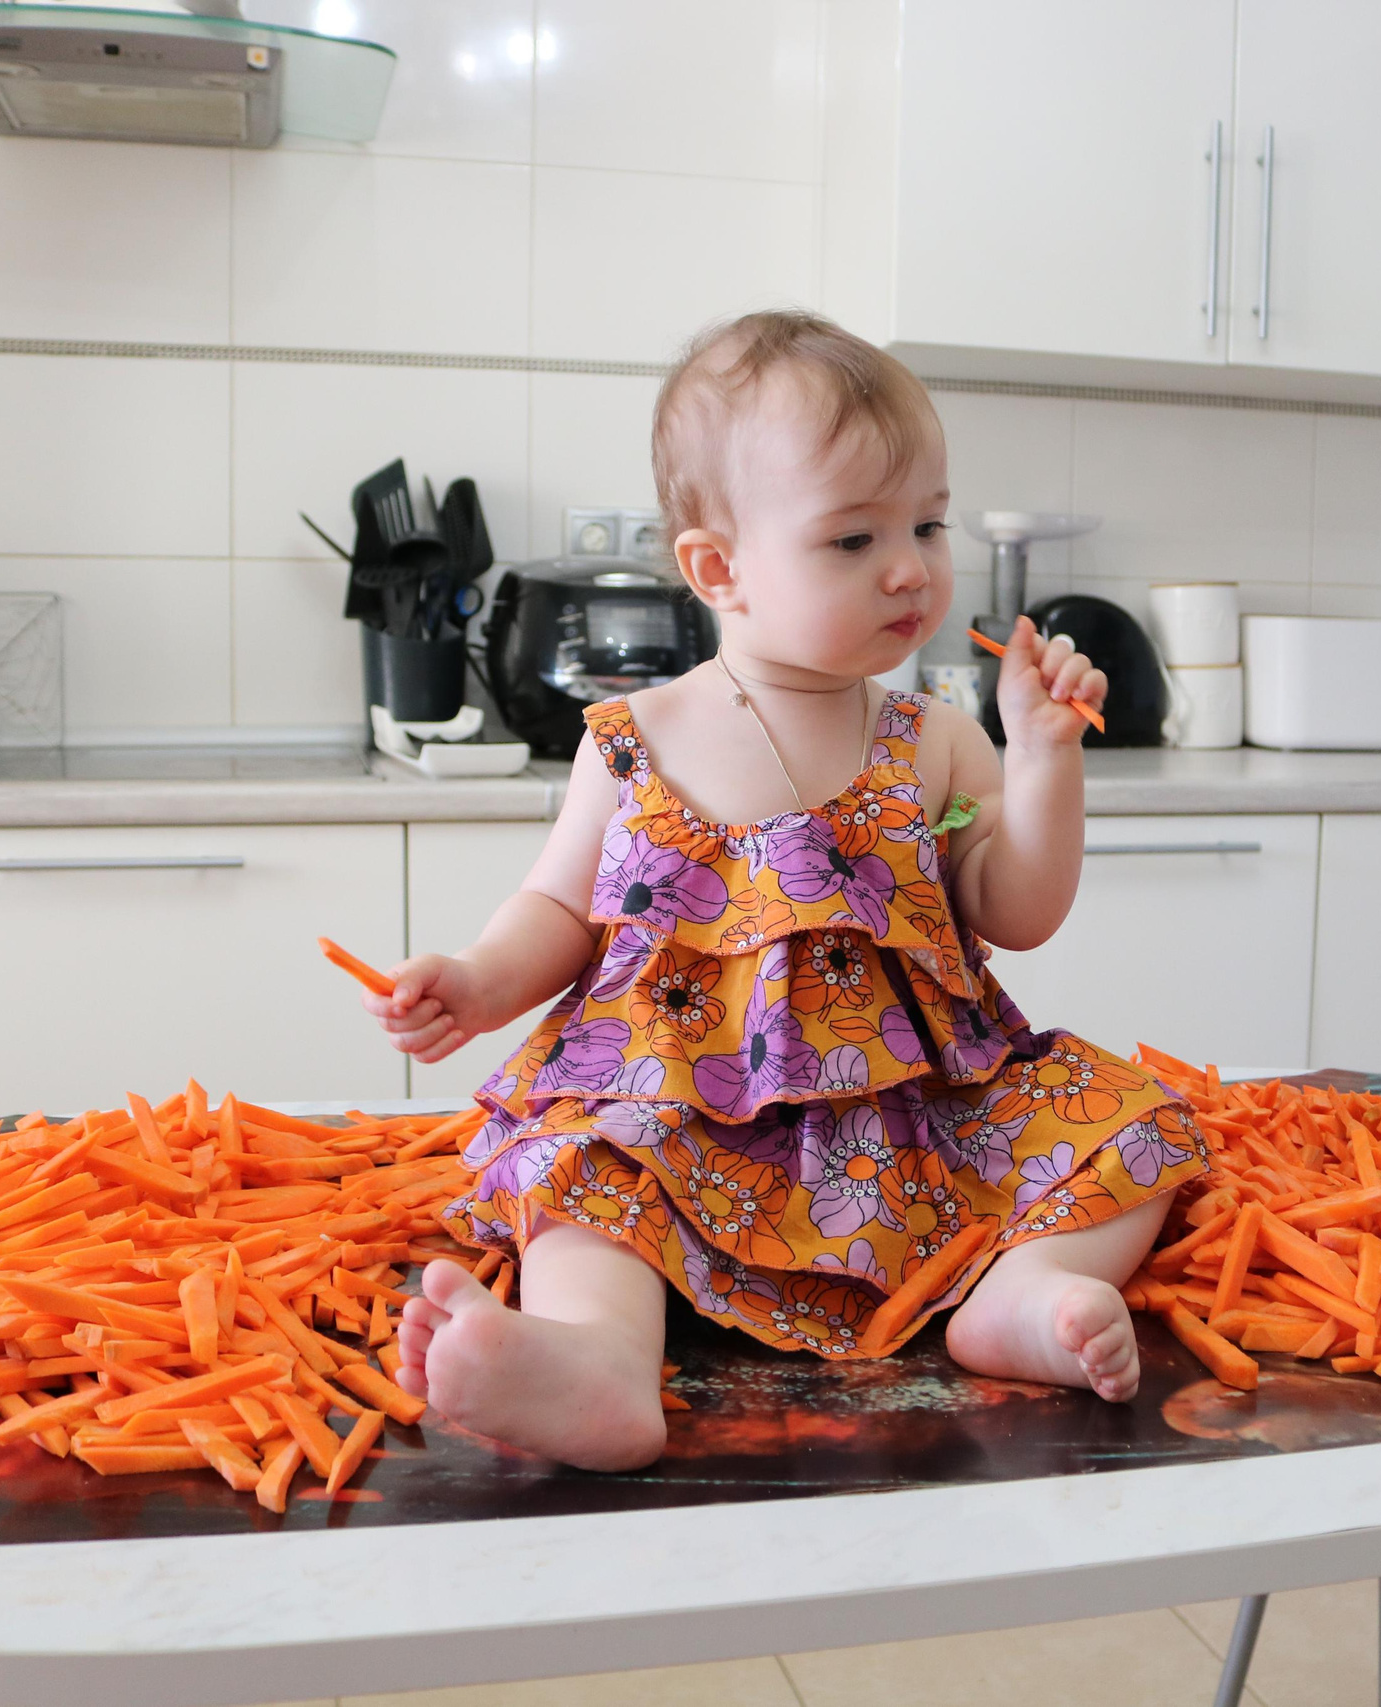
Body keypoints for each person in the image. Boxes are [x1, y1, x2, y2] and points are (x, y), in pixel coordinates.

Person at [362, 310, 1208, 1470]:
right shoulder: (633, 740)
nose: (910, 566)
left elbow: (1019, 911)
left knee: (1131, 1122)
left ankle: (1022, 1296)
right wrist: (473, 979)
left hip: (908, 1126)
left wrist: (1044, 762)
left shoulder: (937, 741)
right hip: (673, 1115)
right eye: (852, 540)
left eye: (925, 523)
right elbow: (560, 909)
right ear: (720, 570)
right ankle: (597, 1360)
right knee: (579, 1173)